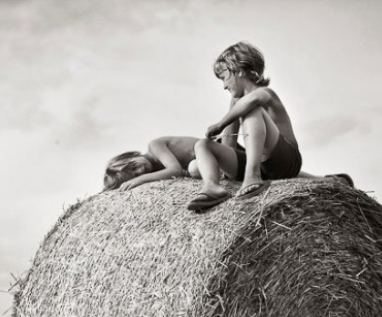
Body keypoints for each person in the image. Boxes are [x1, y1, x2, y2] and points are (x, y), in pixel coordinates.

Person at [188, 42, 307, 212]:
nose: (224, 86)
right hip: (261, 163)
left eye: (224, 77)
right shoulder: (236, 103)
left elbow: (253, 100)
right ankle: (212, 186)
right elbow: (229, 143)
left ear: (239, 70)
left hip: (285, 161)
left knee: (251, 109)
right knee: (202, 145)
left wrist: (221, 124)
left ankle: (252, 175)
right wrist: (218, 162)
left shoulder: (265, 93)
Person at [103, 135, 244, 191]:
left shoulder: (154, 146)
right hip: (220, 168)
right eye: (135, 175)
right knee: (193, 169)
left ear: (131, 155)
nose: (139, 171)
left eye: (133, 166)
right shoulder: (157, 173)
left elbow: (175, 169)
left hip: (223, 156)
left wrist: (140, 180)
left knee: (194, 167)